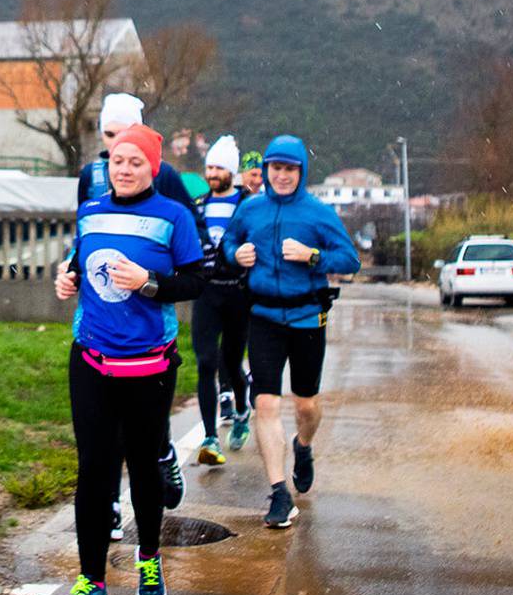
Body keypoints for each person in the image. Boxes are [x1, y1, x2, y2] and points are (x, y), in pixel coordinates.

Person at [53, 124, 205, 595]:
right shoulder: (90, 211)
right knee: (94, 471)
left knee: (142, 466)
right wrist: (67, 278)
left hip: (150, 365)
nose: (124, 169)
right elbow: (80, 262)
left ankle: (149, 560)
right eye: (118, 160)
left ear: (153, 167)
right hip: (92, 358)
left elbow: (196, 281)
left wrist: (150, 283)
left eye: (135, 161)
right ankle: (91, 581)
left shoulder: (174, 217)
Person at [222, 133, 359, 530]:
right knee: (266, 403)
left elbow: (350, 260)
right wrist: (236, 254)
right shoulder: (250, 210)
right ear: (265, 170)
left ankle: (303, 446)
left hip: (306, 318)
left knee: (305, 406)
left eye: (290, 169)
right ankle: (279, 493)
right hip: (263, 317)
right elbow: (231, 241)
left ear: (301, 172)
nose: (282, 176)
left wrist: (312, 256)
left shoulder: (318, 214)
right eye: (275, 168)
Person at [76, 92, 198, 525]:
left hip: (149, 334)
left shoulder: (165, 182)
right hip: (94, 326)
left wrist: (149, 280)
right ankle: (109, 504)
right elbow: (83, 240)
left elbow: (191, 258)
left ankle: (162, 453)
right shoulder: (90, 176)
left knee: (142, 436)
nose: (116, 154)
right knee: (100, 441)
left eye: (125, 142)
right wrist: (71, 272)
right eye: (109, 139)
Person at [192, 135, 253, 464]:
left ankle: (242, 410)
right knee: (205, 361)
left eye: (219, 167)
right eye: (209, 167)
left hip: (238, 292)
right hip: (207, 291)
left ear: (231, 171)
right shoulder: (198, 206)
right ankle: (210, 437)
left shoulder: (247, 206)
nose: (212, 173)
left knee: (231, 361)